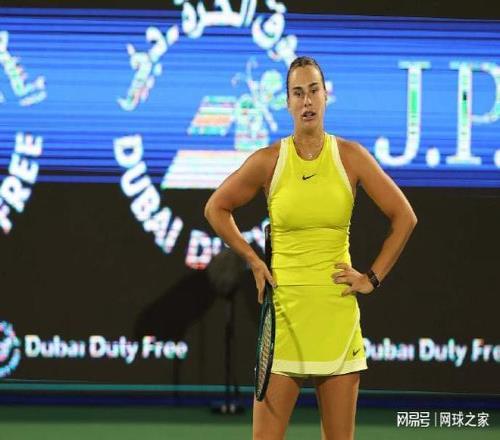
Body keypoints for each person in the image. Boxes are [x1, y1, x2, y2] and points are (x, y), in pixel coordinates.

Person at [204, 56, 417, 440]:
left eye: (314, 91)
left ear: (325, 96)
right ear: (287, 102)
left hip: (337, 319)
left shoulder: (351, 157)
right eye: (298, 93)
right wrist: (253, 260)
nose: (307, 101)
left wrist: (371, 278)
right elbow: (216, 208)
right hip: (284, 321)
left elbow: (405, 217)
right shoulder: (269, 161)